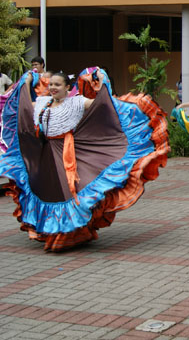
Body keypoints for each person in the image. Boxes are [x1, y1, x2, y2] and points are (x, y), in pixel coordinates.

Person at [0, 68, 168, 251]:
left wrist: (103, 82)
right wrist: (26, 81)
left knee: (68, 193)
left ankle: (67, 235)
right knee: (48, 193)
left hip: (67, 153)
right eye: (51, 85)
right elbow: (22, 105)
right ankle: (50, 230)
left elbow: (103, 105)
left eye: (58, 85)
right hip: (45, 155)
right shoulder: (42, 102)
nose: (53, 88)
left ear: (67, 87)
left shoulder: (77, 102)